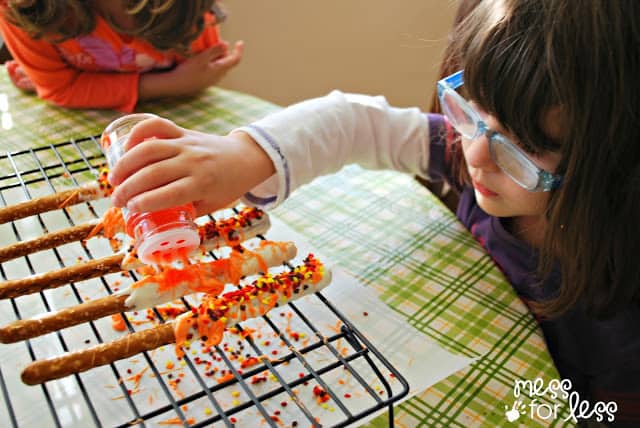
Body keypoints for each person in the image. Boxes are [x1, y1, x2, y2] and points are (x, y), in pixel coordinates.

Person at [106, 0, 640, 425]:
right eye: (472, 107)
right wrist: (247, 155)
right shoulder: (470, 149)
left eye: (523, 148)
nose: (473, 153)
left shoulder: (623, 308)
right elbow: (355, 122)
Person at [0, 0, 243, 112]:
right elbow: (61, 89)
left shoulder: (184, 8)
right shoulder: (23, 7)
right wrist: (174, 83)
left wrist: (77, 86)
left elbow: (201, 76)